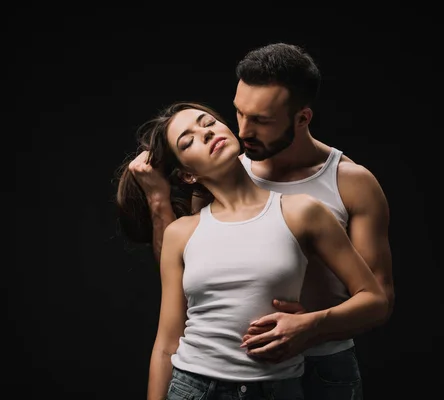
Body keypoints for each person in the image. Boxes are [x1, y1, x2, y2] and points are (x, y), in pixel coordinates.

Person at [120, 42, 394, 399]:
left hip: (324, 363)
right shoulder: (224, 165)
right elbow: (188, 273)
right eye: (238, 113)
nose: (244, 131)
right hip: (225, 370)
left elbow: (379, 299)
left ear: (302, 118)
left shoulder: (350, 183)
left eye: (261, 120)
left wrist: (310, 326)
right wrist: (158, 201)